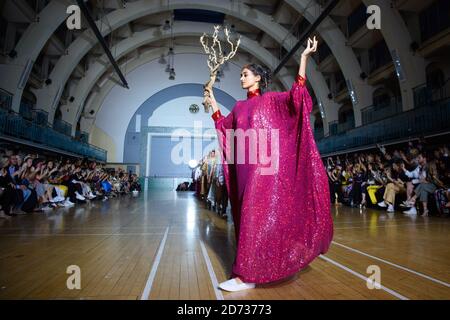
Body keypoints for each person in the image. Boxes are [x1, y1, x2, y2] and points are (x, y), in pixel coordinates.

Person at [205, 37, 333, 292]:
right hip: (243, 169)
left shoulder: (272, 100)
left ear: (257, 79)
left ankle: (244, 276)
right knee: (245, 217)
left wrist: (304, 59)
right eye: (241, 75)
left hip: (263, 172)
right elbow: (224, 127)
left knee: (255, 215)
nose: (241, 78)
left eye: (245, 74)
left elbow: (297, 100)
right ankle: (253, 269)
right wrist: (213, 104)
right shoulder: (240, 107)